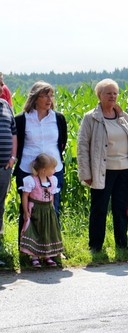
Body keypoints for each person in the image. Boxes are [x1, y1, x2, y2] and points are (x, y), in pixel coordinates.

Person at [77, 79, 128, 252]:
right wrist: (85, 173)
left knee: (121, 208)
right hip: (101, 170)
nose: (112, 96)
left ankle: (122, 244)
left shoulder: (125, 118)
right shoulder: (91, 118)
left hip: (124, 171)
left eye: (115, 93)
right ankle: (95, 246)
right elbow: (82, 146)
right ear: (99, 95)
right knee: (99, 209)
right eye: (108, 93)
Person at [14, 82, 68, 239]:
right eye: (45, 95)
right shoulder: (21, 119)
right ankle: (26, 248)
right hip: (27, 170)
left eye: (51, 95)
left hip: (53, 172)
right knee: (27, 209)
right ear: (35, 98)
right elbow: (17, 145)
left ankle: (52, 249)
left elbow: (62, 143)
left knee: (53, 209)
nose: (49, 99)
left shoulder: (58, 118)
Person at [19, 153, 64, 267]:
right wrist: (26, 211)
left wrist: (52, 208)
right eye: (53, 168)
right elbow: (25, 196)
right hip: (36, 209)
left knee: (47, 232)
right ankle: (35, 256)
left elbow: (52, 196)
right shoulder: (31, 180)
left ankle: (47, 256)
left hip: (48, 210)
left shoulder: (52, 180)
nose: (55, 170)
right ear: (44, 170)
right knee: (36, 232)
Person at [0, 96, 16, 238]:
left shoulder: (5, 105)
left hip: (4, 168)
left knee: (0, 205)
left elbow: (14, 132)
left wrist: (12, 157)